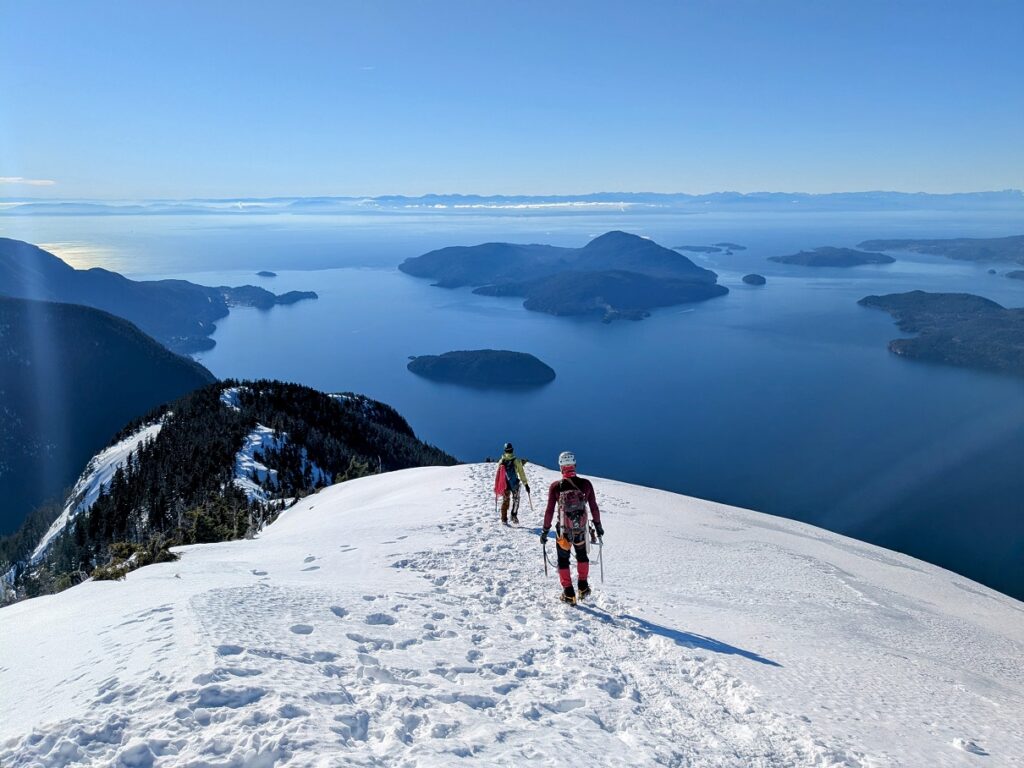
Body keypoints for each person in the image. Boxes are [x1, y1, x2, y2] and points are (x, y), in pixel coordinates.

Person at [541, 451, 603, 604]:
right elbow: (594, 507)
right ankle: (583, 587)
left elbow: (549, 510)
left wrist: (545, 531)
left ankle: (569, 593)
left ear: (561, 467)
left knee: (563, 560)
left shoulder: (556, 486)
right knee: (582, 556)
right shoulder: (586, 484)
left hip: (563, 531)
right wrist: (598, 526)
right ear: (575, 465)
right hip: (581, 530)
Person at [494, 442, 530, 525]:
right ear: (512, 450)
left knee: (505, 500)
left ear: (505, 451)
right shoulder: (516, 461)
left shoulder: (501, 461)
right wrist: (526, 484)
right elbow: (521, 473)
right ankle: (513, 515)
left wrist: (497, 485)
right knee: (516, 500)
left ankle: (504, 518)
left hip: (504, 484)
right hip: (514, 483)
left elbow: (499, 474)